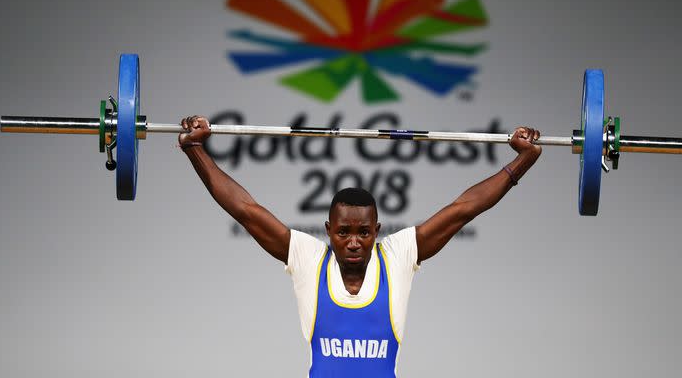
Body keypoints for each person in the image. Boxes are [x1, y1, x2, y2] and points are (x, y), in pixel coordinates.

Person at [179, 116, 541, 377]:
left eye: (364, 233)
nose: (354, 242)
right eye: (343, 232)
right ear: (328, 230)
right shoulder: (308, 258)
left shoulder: (398, 255)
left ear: (378, 230)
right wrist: (195, 150)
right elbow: (246, 211)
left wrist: (521, 162)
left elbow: (464, 209)